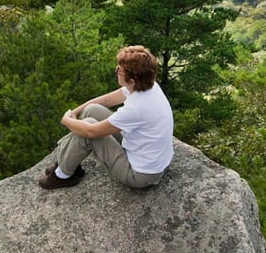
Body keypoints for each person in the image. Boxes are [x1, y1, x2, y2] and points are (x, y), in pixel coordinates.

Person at [38, 45, 174, 190]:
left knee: (87, 130)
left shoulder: (136, 108)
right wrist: (75, 113)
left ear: (133, 80)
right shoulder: (148, 85)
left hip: (140, 175)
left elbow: (90, 131)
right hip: (150, 158)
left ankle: (62, 175)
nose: (116, 71)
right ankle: (67, 161)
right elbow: (105, 101)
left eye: (119, 70)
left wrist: (67, 120)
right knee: (91, 110)